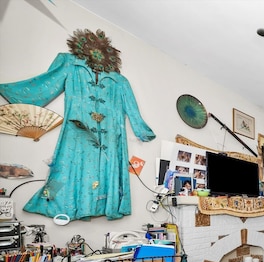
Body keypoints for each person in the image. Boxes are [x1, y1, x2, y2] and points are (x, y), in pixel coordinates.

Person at [0, 29, 155, 221]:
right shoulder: (70, 65)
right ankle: (50, 201)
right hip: (76, 132)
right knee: (65, 169)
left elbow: (132, 109)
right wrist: (12, 93)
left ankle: (101, 206)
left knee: (106, 173)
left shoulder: (120, 82)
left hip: (111, 137)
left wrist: (142, 130)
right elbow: (46, 84)